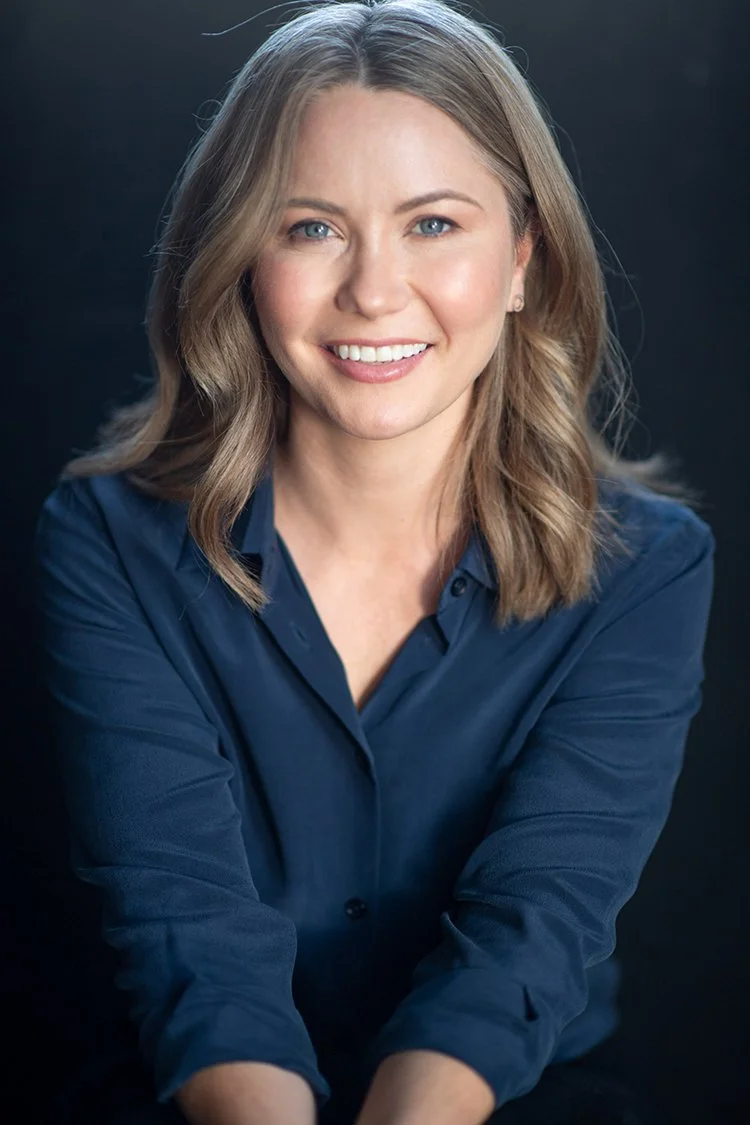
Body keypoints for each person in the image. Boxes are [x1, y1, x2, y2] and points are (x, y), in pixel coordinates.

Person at [32, 1, 715, 1123]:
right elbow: (190, 936)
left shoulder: (647, 568)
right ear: (242, 258)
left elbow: (527, 938)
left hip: (515, 1097)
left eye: (435, 224)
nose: (374, 290)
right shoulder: (109, 539)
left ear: (523, 262)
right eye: (311, 228)